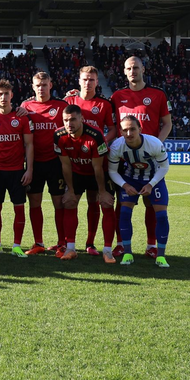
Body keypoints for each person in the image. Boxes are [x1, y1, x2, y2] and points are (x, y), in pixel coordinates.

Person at [111, 56, 172, 259]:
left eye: (136, 67)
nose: (133, 71)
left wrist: (157, 145)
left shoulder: (157, 95)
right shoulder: (117, 96)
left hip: (150, 160)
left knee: (151, 204)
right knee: (123, 204)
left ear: (143, 69)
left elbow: (167, 123)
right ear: (124, 71)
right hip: (124, 160)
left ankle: (151, 245)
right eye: (129, 68)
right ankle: (121, 244)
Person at [64, 66, 117, 256]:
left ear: (97, 82)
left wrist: (100, 140)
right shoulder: (68, 101)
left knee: (97, 202)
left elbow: (112, 129)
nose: (88, 83)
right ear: (79, 81)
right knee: (70, 201)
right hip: (75, 162)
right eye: (85, 79)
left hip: (98, 162)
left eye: (92, 80)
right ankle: (68, 245)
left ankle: (91, 243)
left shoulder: (104, 104)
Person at [108, 115, 171, 268]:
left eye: (132, 129)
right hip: (130, 179)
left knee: (161, 216)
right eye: (124, 130)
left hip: (154, 179)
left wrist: (151, 184)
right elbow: (112, 171)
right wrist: (124, 185)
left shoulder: (154, 143)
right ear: (121, 132)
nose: (128, 133)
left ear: (140, 129)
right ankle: (128, 253)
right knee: (124, 213)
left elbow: (164, 167)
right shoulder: (117, 146)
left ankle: (160, 256)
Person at [0, 80, 34, 258]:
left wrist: (29, 170)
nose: (3, 97)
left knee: (19, 207)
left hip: (17, 170)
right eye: (0, 94)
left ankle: (17, 246)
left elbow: (29, 145)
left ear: (12, 96)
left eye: (6, 94)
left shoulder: (21, 118)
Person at [53, 105, 114, 262]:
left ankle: (107, 251)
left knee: (106, 204)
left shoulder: (95, 135)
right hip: (76, 173)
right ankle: (71, 249)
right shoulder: (59, 135)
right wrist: (70, 190)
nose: (69, 124)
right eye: (66, 120)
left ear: (82, 119)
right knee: (69, 202)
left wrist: (102, 191)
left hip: (98, 173)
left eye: (73, 119)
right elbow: (65, 165)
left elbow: (98, 167)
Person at [21, 72, 68, 255]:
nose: (41, 88)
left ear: (51, 85)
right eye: (38, 85)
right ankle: (38, 243)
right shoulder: (25, 107)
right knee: (34, 203)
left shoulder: (62, 106)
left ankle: (61, 242)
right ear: (33, 86)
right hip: (35, 163)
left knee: (59, 203)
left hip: (56, 163)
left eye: (44, 84)